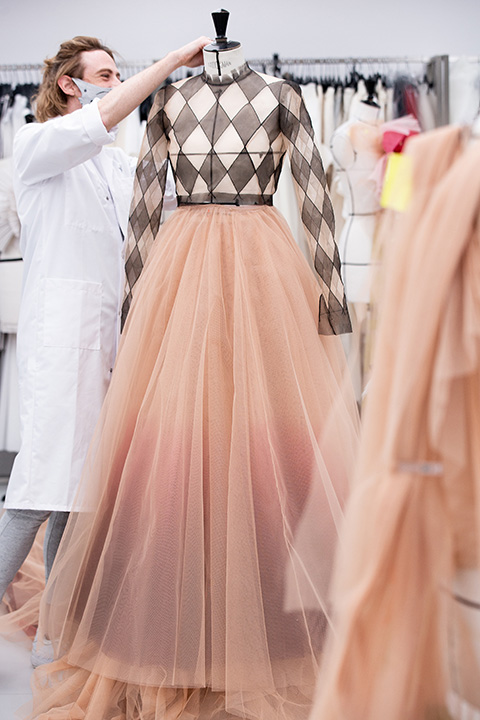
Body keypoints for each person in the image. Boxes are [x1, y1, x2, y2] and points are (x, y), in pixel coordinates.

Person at [26, 15, 360, 720]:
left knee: (263, 431)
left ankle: (266, 620)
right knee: (182, 440)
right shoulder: (168, 101)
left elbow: (314, 192)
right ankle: (175, 624)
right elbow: (148, 200)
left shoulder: (280, 94)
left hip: (252, 263)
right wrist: (134, 308)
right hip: (190, 268)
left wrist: (332, 299)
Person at [0, 34, 210, 664]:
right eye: (105, 75)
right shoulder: (37, 145)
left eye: (118, 75)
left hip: (109, 341)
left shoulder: (117, 166)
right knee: (39, 489)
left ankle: (55, 636)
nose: (115, 85)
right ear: (71, 84)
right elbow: (102, 120)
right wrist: (170, 63)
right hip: (61, 343)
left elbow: (169, 205)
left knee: (81, 495)